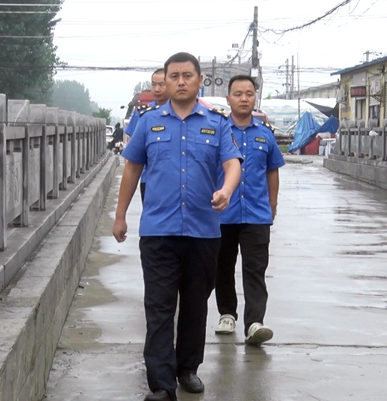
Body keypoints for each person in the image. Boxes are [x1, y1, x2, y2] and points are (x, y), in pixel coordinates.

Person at [113, 52, 242, 401]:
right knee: (159, 308)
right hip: (158, 232)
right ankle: (162, 386)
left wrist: (227, 190)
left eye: (187, 75)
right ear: (165, 81)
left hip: (203, 232)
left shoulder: (216, 124)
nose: (181, 81)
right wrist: (121, 215)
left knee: (195, 305)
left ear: (200, 80)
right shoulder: (148, 122)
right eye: (174, 76)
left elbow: (232, 164)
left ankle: (187, 368)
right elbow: (132, 169)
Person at [213, 75, 285, 345]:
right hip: (223, 214)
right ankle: (226, 314)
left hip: (256, 213)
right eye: (238, 94)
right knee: (223, 267)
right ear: (228, 98)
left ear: (255, 98)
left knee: (255, 269)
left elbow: (272, 171)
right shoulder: (218, 132)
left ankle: (255, 323)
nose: (244, 99)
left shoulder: (265, 134)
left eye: (249, 94)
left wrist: (272, 205)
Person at [125, 68, 169, 202]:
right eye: (153, 84)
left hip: (172, 178)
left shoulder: (179, 113)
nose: (156, 89)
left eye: (161, 85)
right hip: (148, 179)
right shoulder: (143, 114)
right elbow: (131, 142)